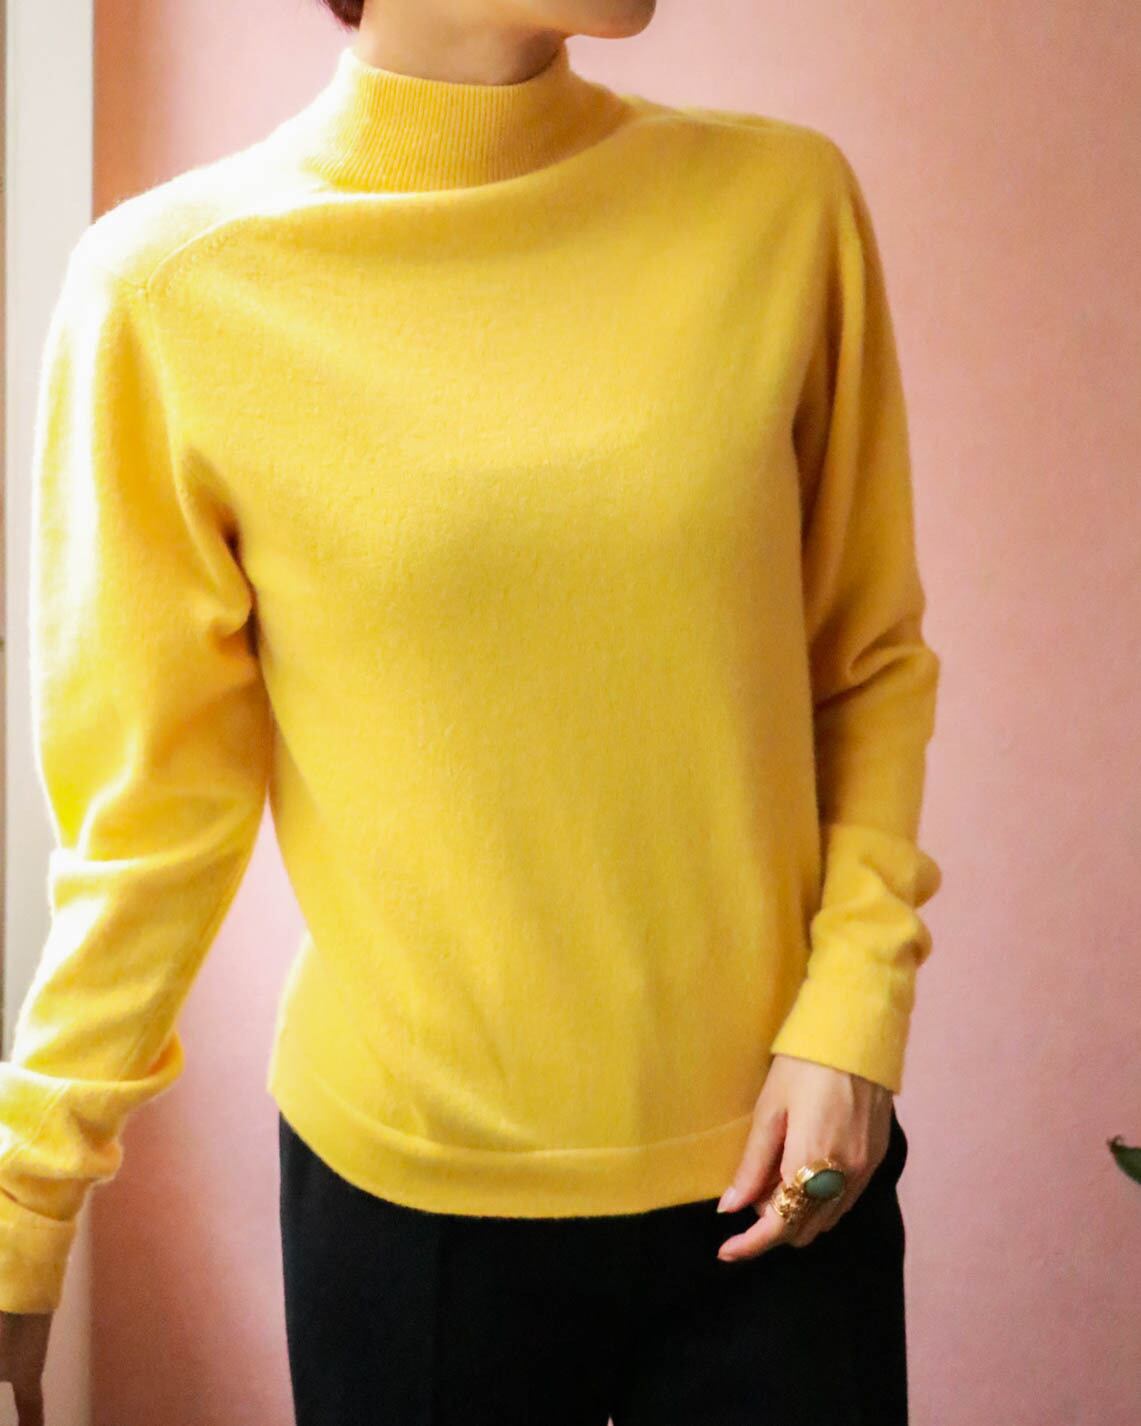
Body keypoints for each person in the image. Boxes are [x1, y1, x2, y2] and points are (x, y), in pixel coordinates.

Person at [0, 0, 943, 1421]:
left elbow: (862, 662)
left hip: (783, 1169)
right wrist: (28, 1194)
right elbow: (152, 816)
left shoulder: (778, 203)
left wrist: (854, 1020)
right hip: (409, 1222)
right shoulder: (170, 290)